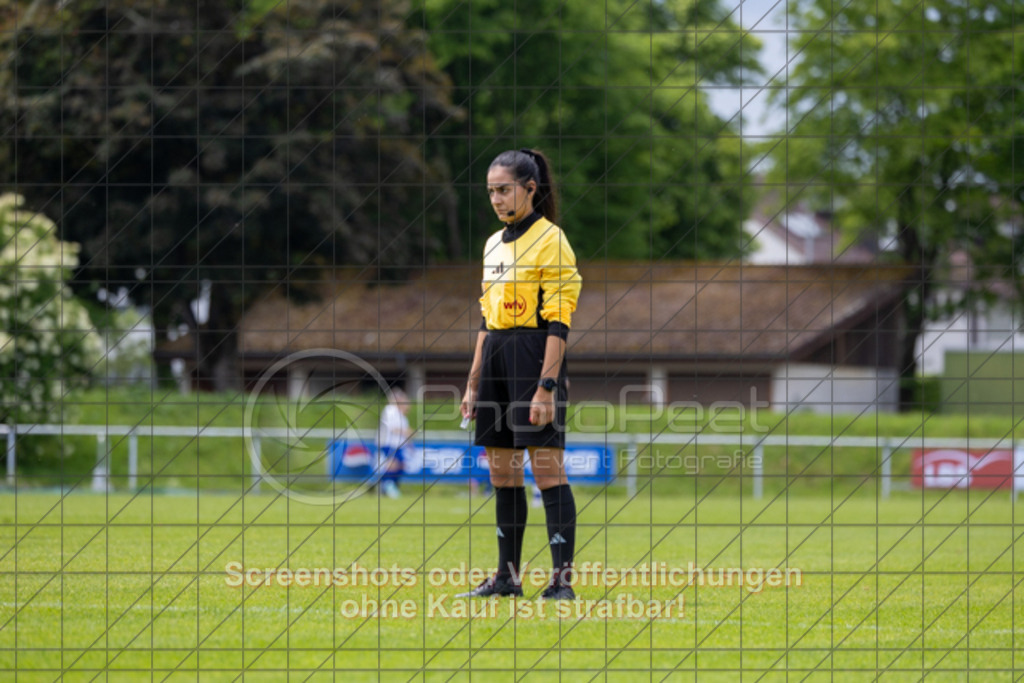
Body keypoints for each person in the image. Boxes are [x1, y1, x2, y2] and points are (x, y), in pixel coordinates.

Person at [458, 148, 582, 600]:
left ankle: (561, 583)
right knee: (501, 475)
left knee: (547, 472)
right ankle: (506, 578)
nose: (496, 199)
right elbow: (485, 318)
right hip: (495, 354)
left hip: (534, 354)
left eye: (504, 190)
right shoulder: (493, 243)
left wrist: (546, 386)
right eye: (490, 191)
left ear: (530, 189)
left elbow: (560, 319)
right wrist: (473, 383)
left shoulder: (552, 239)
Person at [377, 387, 411, 499]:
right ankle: (387, 485)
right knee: (393, 464)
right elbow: (393, 428)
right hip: (388, 443)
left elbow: (405, 433)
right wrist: (407, 432)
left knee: (400, 465)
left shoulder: (402, 415)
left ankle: (390, 485)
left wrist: (409, 443)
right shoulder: (390, 410)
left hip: (398, 445)